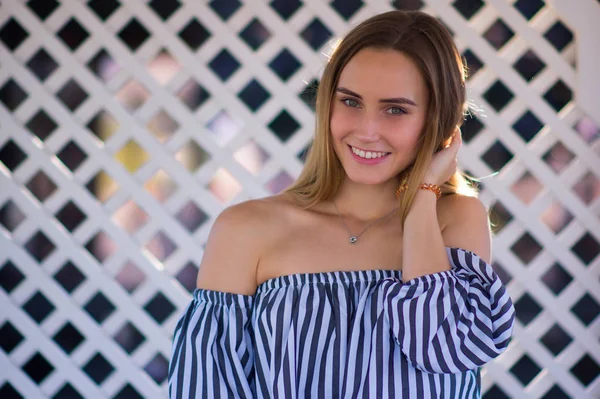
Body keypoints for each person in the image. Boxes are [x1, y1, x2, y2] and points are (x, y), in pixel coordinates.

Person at [168, 10, 515, 398]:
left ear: (437, 120)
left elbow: (445, 350)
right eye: (350, 101)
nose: (366, 131)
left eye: (396, 109)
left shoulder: (455, 219)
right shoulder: (246, 230)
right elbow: (206, 388)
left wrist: (421, 203)